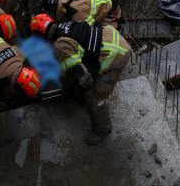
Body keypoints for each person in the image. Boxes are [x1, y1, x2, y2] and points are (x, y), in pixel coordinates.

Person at [30, 14, 131, 144]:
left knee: (94, 97)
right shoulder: (66, 25)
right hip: (112, 37)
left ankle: (103, 130)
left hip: (115, 54)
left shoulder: (59, 45)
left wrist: (75, 87)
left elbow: (85, 78)